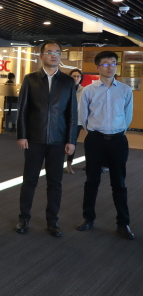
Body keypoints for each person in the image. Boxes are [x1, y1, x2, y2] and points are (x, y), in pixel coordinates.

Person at [15, 40, 77, 237]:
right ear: (41, 56)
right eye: (50, 52)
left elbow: (72, 113)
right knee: (29, 180)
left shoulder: (67, 82)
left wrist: (71, 140)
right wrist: (22, 135)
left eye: (57, 52)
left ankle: (52, 220)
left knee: (55, 182)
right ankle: (24, 217)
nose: (54, 55)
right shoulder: (30, 79)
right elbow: (23, 110)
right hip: (34, 139)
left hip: (58, 141)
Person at [76, 51, 134, 240]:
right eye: (106, 63)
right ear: (97, 67)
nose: (110, 67)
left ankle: (123, 223)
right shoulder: (88, 90)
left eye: (113, 63)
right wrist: (95, 133)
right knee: (91, 181)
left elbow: (128, 116)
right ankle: (88, 218)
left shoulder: (125, 90)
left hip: (118, 141)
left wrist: (117, 131)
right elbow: (83, 117)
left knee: (119, 183)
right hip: (95, 140)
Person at [65, 69, 85, 174]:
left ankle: (69, 164)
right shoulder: (64, 89)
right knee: (60, 142)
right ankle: (56, 163)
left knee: (72, 142)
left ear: (81, 78)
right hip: (63, 120)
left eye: (78, 76)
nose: (76, 78)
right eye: (74, 76)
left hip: (77, 122)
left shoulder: (84, 90)